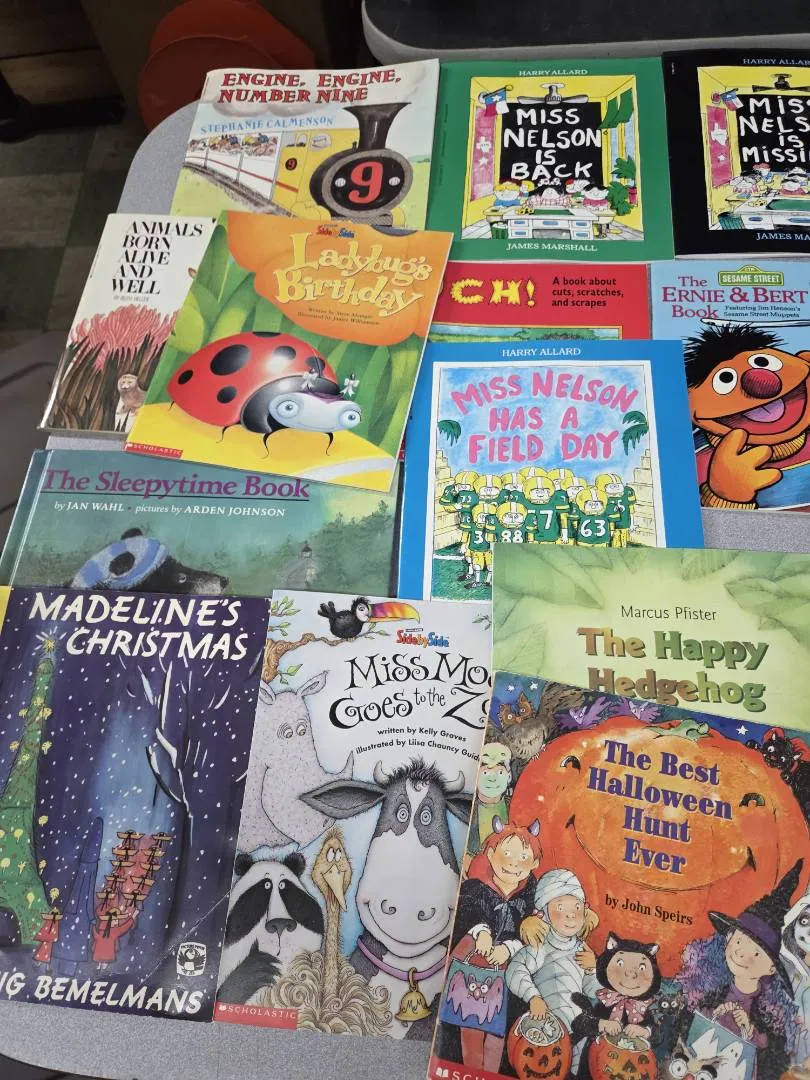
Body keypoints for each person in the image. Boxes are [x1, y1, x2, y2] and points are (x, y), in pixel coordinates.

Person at [677, 861, 803, 1078]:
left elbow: (771, 1051)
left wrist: (749, 1029)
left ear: (771, 967)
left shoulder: (768, 1013)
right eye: (738, 941)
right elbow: (688, 1025)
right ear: (728, 939)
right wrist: (713, 1013)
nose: (741, 953)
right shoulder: (712, 991)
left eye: (756, 953)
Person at [448, 817, 542, 1072]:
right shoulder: (475, 888)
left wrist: (508, 948)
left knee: (496, 1029)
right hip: (472, 967)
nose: (513, 863)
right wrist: (481, 931)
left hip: (506, 973)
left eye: (523, 857)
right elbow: (466, 914)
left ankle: (489, 1072)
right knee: (470, 1023)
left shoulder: (532, 897)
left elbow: (531, 933)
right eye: (507, 854)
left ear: (534, 863)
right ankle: (470, 1071)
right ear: (491, 854)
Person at [506, 869, 600, 1070]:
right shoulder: (540, 945)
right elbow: (515, 971)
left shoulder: (581, 948)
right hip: (544, 1032)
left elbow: (593, 991)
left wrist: (593, 969)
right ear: (544, 913)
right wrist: (533, 997)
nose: (571, 914)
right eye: (560, 907)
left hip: (579, 1032)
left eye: (577, 907)